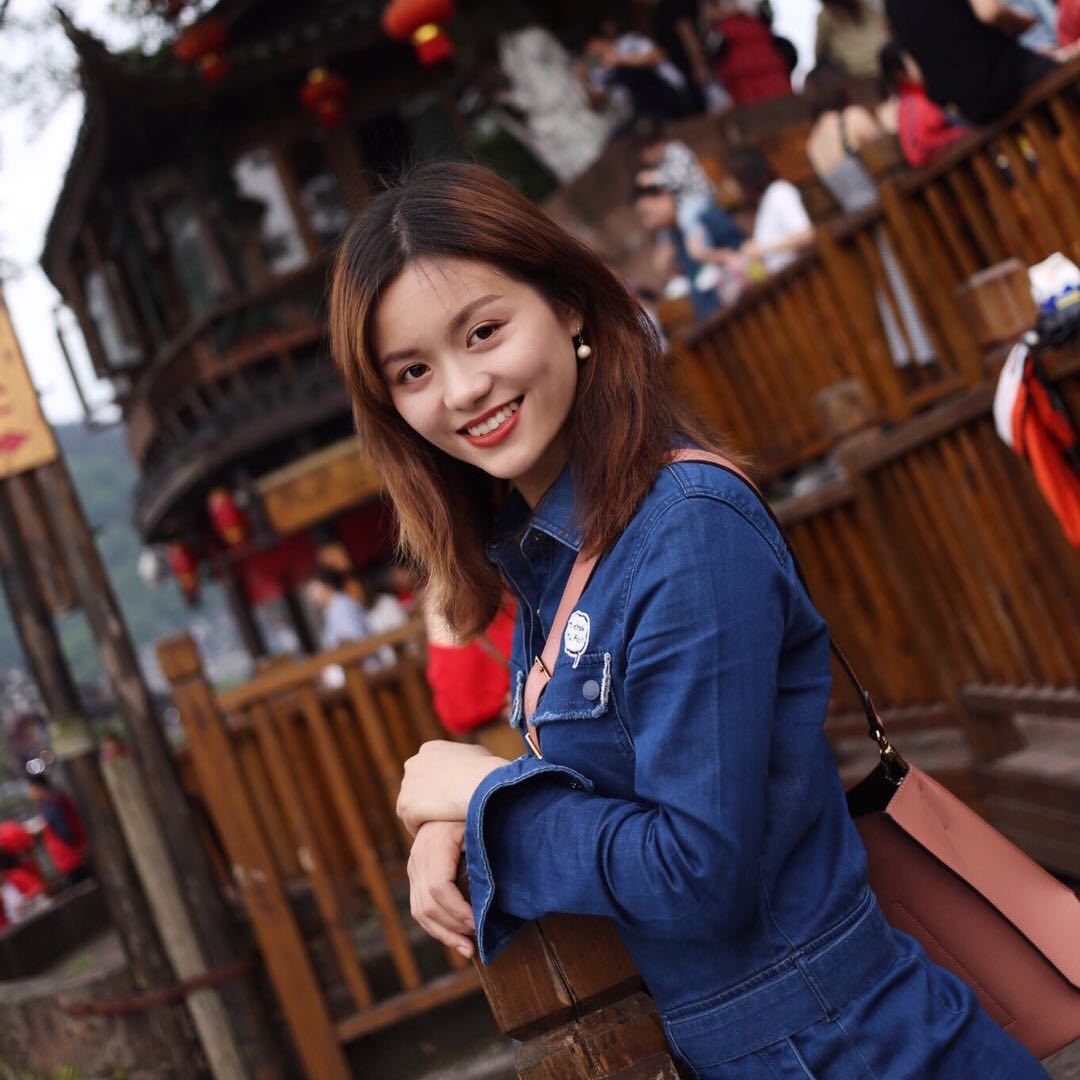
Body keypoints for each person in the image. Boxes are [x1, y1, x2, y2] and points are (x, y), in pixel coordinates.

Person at [327, 160, 1047, 1078]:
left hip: (859, 1050)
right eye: (414, 370)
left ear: (569, 305)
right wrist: (459, 821)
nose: (463, 388)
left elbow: (696, 871)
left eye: (483, 331)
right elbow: (610, 785)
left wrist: (484, 799)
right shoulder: (546, 560)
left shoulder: (687, 526)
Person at [805, 64, 937, 368]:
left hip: (857, 223)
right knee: (913, 277)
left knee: (889, 288)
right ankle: (932, 348)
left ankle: (913, 353)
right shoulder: (851, 118)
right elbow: (889, 153)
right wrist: (889, 122)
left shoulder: (813, 144)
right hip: (884, 210)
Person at [884, 0, 1058, 125]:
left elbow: (917, 72)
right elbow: (990, 13)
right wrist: (1024, 22)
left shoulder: (890, 7)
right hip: (1013, 77)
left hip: (975, 112)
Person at [632, 177, 745, 320]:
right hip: (712, 315)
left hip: (739, 306)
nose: (648, 223)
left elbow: (741, 250)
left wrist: (705, 254)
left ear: (664, 197)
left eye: (648, 213)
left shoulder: (703, 217)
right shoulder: (672, 236)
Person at [722, 146, 814, 276]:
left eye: (733, 179)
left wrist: (761, 250)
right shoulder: (765, 201)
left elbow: (806, 235)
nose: (731, 186)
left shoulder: (779, 191)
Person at [878, 42, 970, 168]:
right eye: (914, 57)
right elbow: (917, 150)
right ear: (899, 74)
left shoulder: (926, 93)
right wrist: (959, 134)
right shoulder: (912, 105)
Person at [702, 0, 792, 105]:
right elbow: (709, 15)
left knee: (774, 88)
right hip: (734, 47)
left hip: (756, 42)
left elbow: (755, 7)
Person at [26, 775, 88, 887]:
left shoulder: (50, 803)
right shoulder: (53, 800)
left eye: (30, 789)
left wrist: (75, 846)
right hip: (72, 855)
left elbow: (63, 829)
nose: (29, 793)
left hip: (70, 856)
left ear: (38, 787)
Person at [815, 0, 891, 79]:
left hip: (882, 67)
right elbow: (820, 54)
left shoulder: (866, 8)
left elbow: (884, 32)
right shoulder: (826, 16)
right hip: (856, 74)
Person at [304, 565, 374, 650]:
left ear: (328, 585)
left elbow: (354, 639)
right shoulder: (332, 608)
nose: (312, 596)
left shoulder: (341, 606)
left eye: (314, 589)